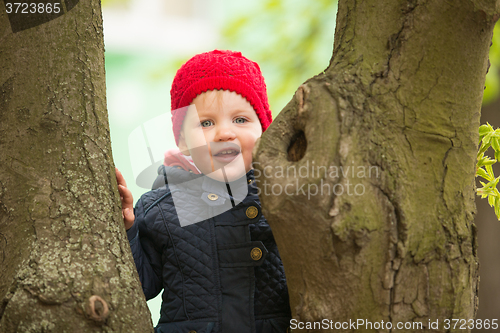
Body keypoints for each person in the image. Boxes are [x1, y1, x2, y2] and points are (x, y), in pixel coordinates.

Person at [116, 50, 291, 333]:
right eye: (206, 123)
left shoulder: (284, 198)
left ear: (264, 131)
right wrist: (129, 231)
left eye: (241, 120)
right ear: (183, 141)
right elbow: (140, 287)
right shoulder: (161, 207)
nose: (224, 133)